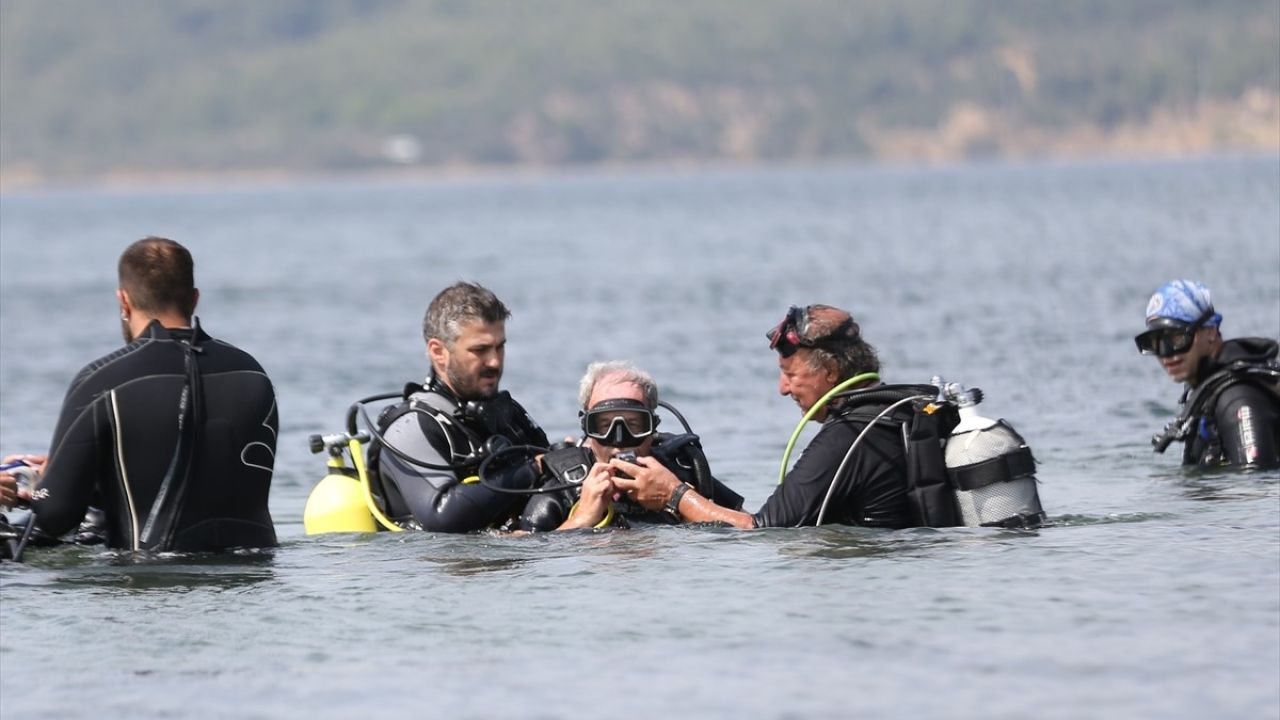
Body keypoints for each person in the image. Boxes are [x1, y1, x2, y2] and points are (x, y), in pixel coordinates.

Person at [0, 237, 278, 552]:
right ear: (195, 299)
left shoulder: (102, 381)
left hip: (151, 580)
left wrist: (44, 483)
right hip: (252, 577)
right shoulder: (253, 374)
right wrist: (85, 474)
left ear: (124, 301)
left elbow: (55, 516)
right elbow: (202, 481)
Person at [609, 304, 921, 529]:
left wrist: (674, 494)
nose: (783, 389)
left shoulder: (851, 435)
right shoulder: (898, 412)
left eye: (790, 374)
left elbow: (762, 530)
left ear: (830, 372)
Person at [368, 281, 550, 532]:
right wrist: (531, 469)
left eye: (500, 347)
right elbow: (442, 518)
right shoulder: (411, 427)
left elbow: (548, 464)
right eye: (480, 350)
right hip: (438, 569)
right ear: (438, 352)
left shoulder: (507, 415)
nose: (495, 362)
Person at [517, 361, 743, 531]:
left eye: (634, 425)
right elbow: (522, 552)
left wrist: (681, 499)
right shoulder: (562, 489)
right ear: (587, 429)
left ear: (653, 427)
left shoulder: (682, 470)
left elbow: (754, 528)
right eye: (604, 425)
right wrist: (581, 518)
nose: (619, 440)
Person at [1136, 279, 1280, 469]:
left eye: (1177, 338)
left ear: (1211, 332)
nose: (1167, 354)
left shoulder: (1238, 399)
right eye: (1155, 342)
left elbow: (1255, 483)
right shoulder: (1208, 393)